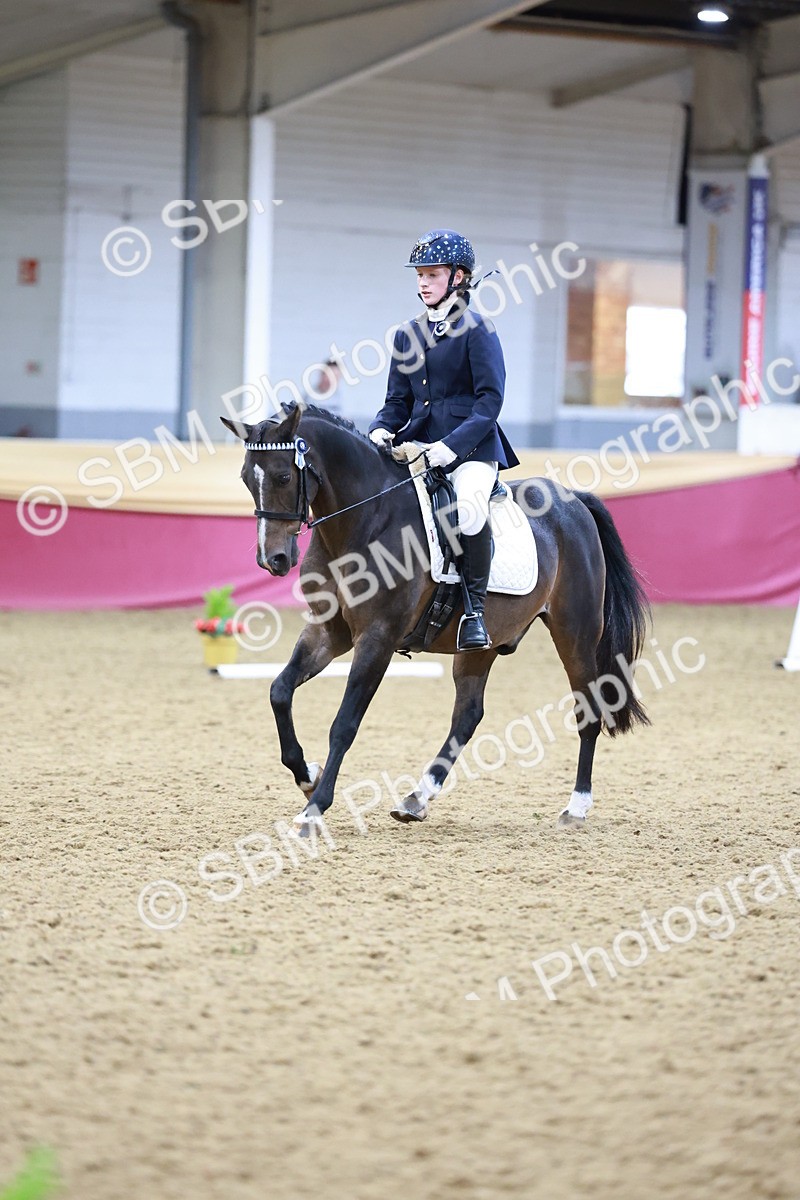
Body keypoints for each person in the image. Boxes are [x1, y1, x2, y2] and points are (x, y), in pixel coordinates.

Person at [368, 228, 519, 651]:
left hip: (470, 449)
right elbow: (397, 401)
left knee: (468, 512)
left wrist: (450, 446)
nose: (422, 282)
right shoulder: (406, 334)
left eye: (432, 274)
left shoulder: (478, 330)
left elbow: (490, 402)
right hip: (416, 447)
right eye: (419, 274)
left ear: (458, 277)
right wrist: (381, 427)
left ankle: (474, 613)